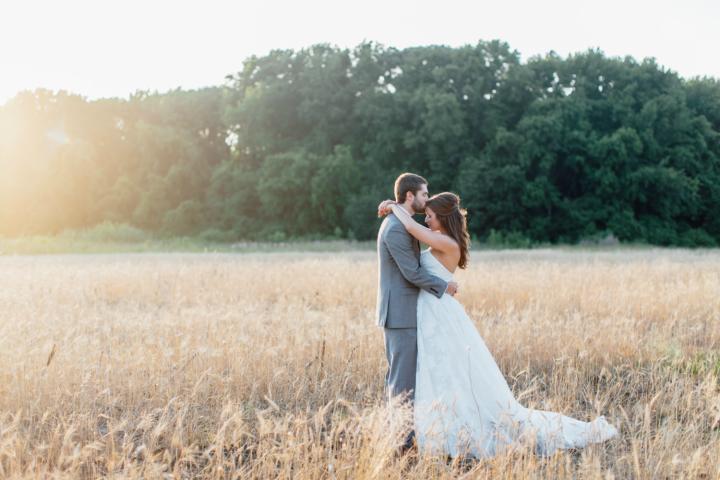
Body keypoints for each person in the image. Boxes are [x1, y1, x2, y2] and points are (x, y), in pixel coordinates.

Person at [377, 191, 618, 458]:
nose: (427, 221)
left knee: (449, 369)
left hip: (438, 311)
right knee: (438, 370)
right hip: (429, 311)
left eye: (431, 217)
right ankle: (430, 427)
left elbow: (410, 227)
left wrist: (392, 206)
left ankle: (448, 429)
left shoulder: (446, 242)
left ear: (443, 218)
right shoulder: (441, 238)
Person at [376, 173, 459, 452]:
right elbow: (411, 272)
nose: (427, 199)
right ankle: (400, 443)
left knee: (405, 379)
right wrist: (444, 286)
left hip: (408, 314)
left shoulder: (402, 223)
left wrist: (394, 206)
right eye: (424, 194)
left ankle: (405, 438)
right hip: (400, 315)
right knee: (401, 382)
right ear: (410, 196)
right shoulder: (397, 228)